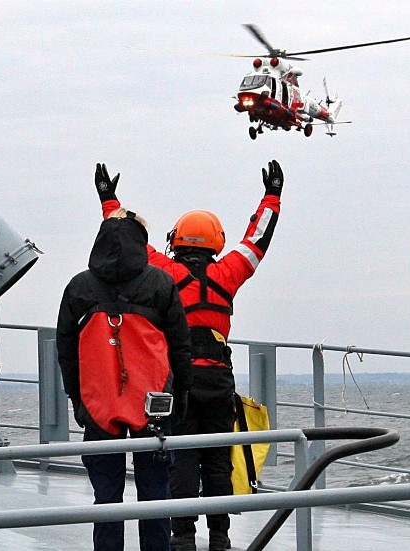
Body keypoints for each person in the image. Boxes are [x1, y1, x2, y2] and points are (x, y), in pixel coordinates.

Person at [93, 161, 284, 551]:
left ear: (176, 240)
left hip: (178, 380)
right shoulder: (229, 272)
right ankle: (220, 537)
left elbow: (128, 242)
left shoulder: (163, 271)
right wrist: (272, 196)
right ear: (215, 241)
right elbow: (258, 240)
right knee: (217, 459)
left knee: (180, 458)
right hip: (218, 380)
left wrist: (108, 199)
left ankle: (181, 538)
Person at [56, 209, 192, 551]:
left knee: (106, 497)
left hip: (98, 404)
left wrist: (77, 399)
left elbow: (67, 351)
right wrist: (182, 395)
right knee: (155, 496)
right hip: (154, 407)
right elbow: (180, 346)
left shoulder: (78, 287)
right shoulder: (161, 283)